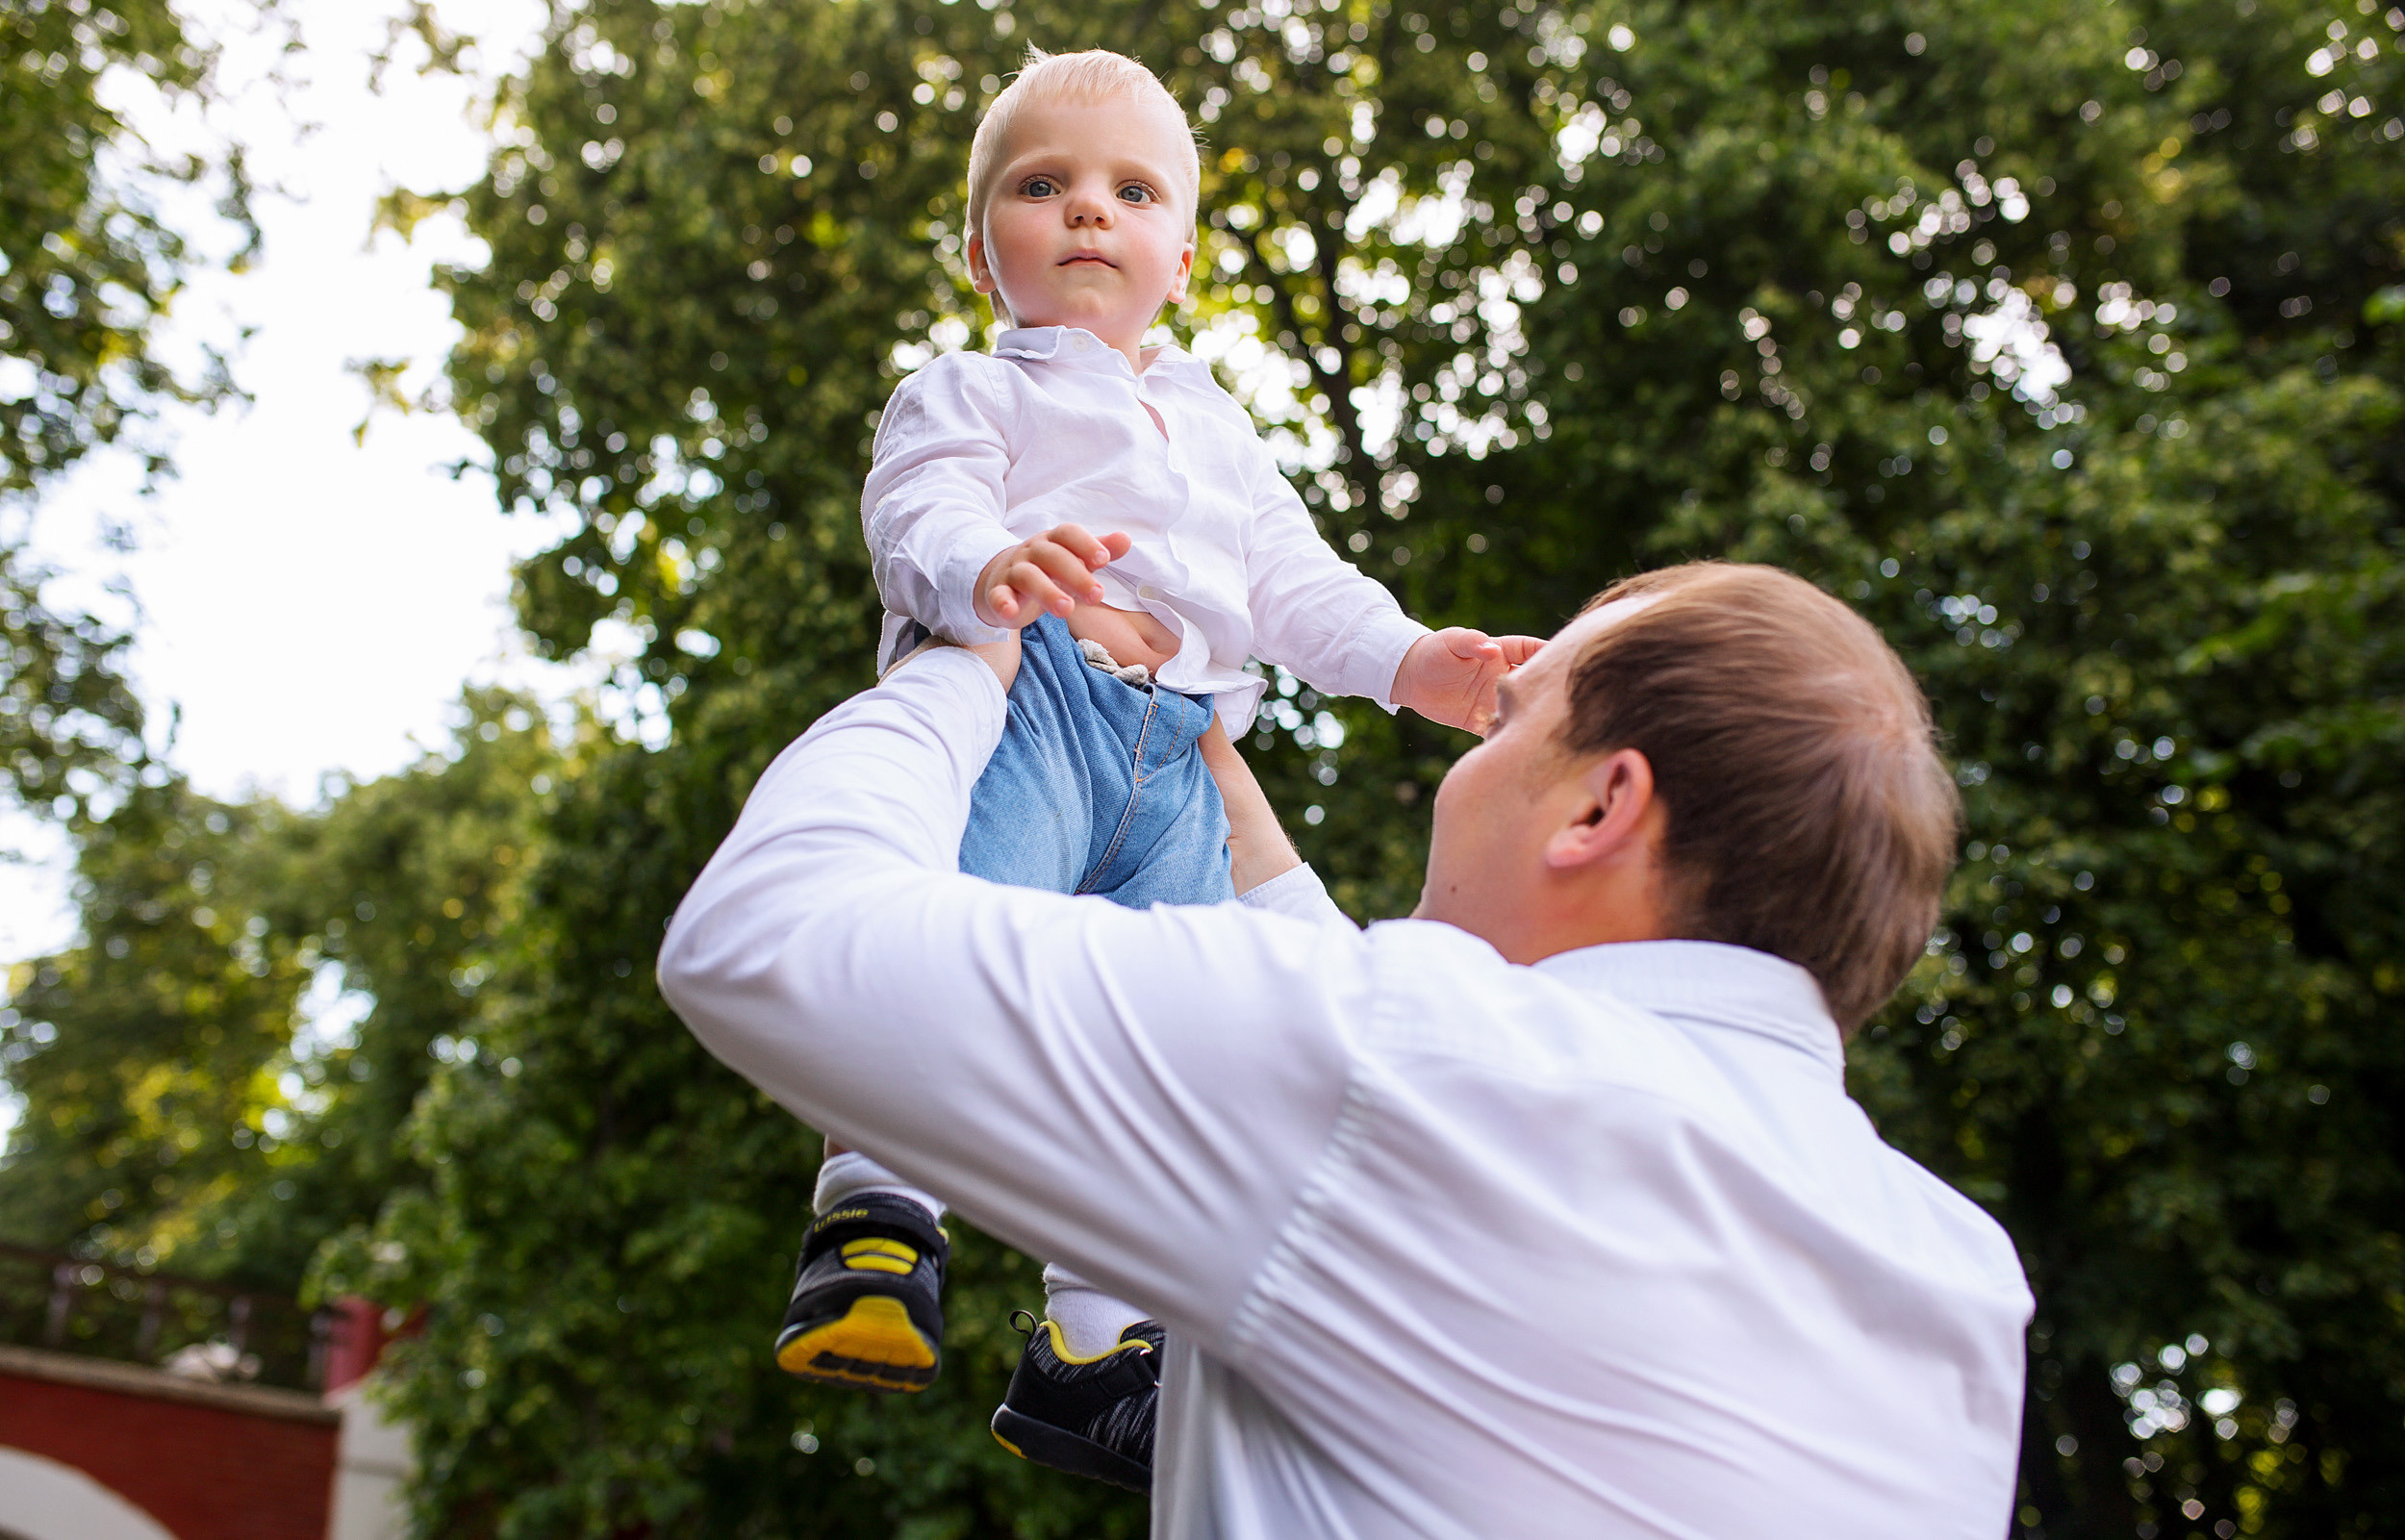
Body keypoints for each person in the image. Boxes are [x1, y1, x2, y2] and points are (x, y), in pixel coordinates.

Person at [658, 561, 2037, 1537]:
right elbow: (1340, 1015)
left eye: (1509, 724)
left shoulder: (1419, 1069)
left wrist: (967, 662)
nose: (1464, 761)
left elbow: (770, 935)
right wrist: (1176, 736)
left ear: (1602, 807)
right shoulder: (1959, 1287)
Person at [784, 43, 1536, 1488]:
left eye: (1130, 193)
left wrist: (1407, 663)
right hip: (1039, 707)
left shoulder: (1219, 431)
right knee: (952, 942)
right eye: (1042, 186)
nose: (1086, 214)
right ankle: (875, 1216)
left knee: (1173, 1053)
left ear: (1179, 259)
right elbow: (914, 512)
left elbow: (1297, 586)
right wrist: (990, 566)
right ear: (978, 244)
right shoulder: (968, 392)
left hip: (1179, 762)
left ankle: (1090, 1347)